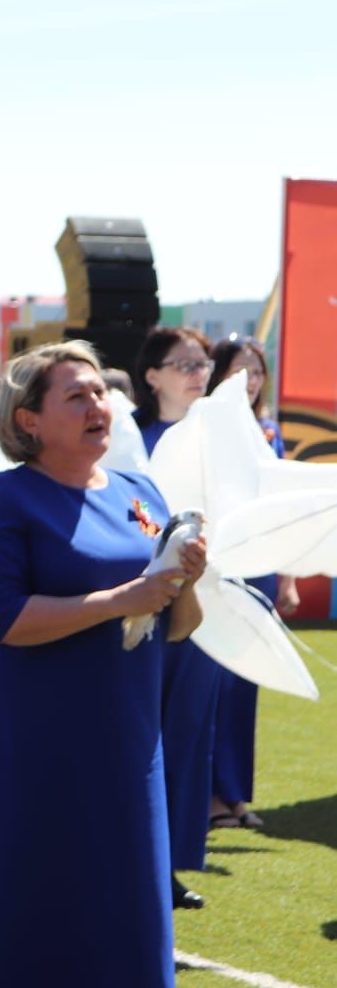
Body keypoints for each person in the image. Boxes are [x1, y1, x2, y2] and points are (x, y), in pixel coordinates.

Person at [0, 341, 206, 987]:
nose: (98, 405)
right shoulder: (0, 498)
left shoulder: (140, 490)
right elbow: (4, 619)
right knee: (45, 900)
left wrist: (187, 582)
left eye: (99, 391)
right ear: (28, 421)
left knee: (131, 900)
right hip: (38, 734)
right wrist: (122, 598)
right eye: (77, 395)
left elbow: (179, 626)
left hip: (127, 733)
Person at [132, 326, 219, 908]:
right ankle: (135, 859)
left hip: (208, 606)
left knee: (188, 736)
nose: (196, 372)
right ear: (152, 376)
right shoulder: (131, 445)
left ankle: (170, 863)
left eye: (202, 362)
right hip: (144, 609)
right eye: (182, 363)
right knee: (143, 740)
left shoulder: (220, 443)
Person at [205, 336, 296, 830]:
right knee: (213, 684)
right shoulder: (207, 428)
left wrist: (287, 574)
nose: (251, 379)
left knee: (245, 687)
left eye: (257, 371)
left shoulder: (268, 429)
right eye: (241, 369)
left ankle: (236, 795)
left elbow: (278, 504)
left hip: (259, 567)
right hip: (220, 567)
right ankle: (210, 796)